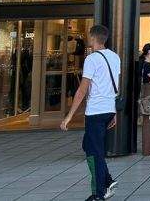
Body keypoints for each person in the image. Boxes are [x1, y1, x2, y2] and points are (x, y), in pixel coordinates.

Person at [60, 25, 120, 201]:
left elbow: (82, 90)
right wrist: (114, 111)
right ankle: (107, 180)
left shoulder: (92, 59)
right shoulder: (115, 57)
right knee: (89, 146)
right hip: (108, 108)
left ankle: (98, 193)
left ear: (93, 38)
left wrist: (69, 116)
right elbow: (115, 86)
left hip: (95, 111)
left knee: (93, 153)